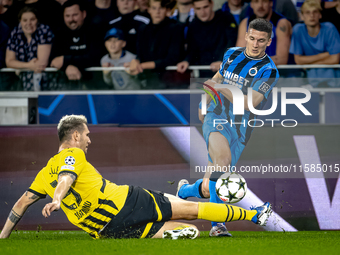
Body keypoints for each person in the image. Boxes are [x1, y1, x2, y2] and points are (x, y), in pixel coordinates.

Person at [0, 114, 272, 240]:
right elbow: (66, 178)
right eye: (86, 135)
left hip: (108, 230)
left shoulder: (41, 175)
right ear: (74, 136)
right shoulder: (72, 155)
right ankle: (254, 215)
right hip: (127, 201)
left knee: (188, 231)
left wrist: (3, 236)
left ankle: (176, 222)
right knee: (193, 212)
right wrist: (58, 199)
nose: (88, 140)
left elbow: (21, 204)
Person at [176, 18, 279, 237]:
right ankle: (217, 226)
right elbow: (217, 77)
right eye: (252, 38)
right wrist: (204, 103)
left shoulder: (269, 71)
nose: (255, 44)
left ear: (269, 41)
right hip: (217, 117)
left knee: (209, 186)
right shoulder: (231, 54)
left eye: (261, 40)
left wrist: (219, 86)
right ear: (246, 36)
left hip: (241, 130)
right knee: (222, 164)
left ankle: (184, 191)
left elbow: (248, 101)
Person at [128, 0, 185, 89]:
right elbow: (139, 54)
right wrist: (136, 61)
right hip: (148, 80)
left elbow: (173, 58)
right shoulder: (143, 29)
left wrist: (143, 65)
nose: (157, 12)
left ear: (166, 9)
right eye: (154, 8)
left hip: (170, 81)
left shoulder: (176, 28)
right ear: (149, 9)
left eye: (161, 8)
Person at [176, 0, 237, 77]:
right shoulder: (193, 25)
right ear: (193, 8)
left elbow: (232, 43)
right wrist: (186, 61)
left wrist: (224, 61)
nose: (202, 12)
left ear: (212, 4)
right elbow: (192, 50)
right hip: (203, 75)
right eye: (198, 8)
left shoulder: (226, 18)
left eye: (205, 7)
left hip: (226, 72)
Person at [50, 0, 104, 84]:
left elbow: (95, 58)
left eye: (75, 15)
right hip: (66, 86)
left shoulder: (94, 30)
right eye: (67, 16)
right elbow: (54, 61)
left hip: (94, 84)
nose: (71, 19)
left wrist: (65, 60)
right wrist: (67, 66)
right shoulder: (59, 33)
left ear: (84, 14)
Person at [290, 0, 340, 88]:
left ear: (320, 15)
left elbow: (335, 59)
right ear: (302, 16)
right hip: (309, 81)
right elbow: (298, 60)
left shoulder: (329, 28)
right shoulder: (298, 30)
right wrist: (325, 55)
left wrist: (309, 64)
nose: (311, 15)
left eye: (315, 12)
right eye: (307, 12)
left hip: (333, 80)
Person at [6, 6, 54, 91]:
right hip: (24, 84)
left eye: (32, 19)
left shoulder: (44, 30)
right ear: (20, 21)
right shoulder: (15, 32)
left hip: (47, 83)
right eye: (24, 20)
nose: (28, 23)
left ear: (37, 20)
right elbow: (9, 61)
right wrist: (29, 65)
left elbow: (40, 64)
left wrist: (19, 66)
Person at [236, 0, 292, 65]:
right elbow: (240, 56)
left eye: (264, 1)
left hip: (278, 73)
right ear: (251, 4)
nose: (260, 5)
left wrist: (253, 63)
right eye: (256, 1)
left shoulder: (281, 23)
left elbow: (281, 59)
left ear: (271, 3)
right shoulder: (245, 23)